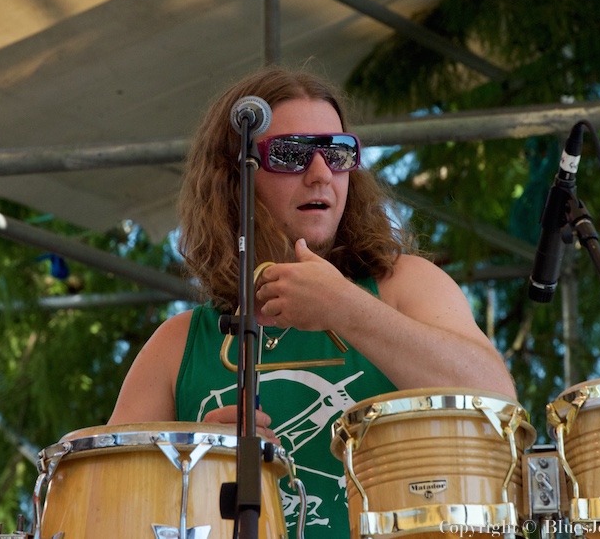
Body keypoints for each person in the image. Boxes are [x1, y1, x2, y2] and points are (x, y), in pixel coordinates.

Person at [109, 65, 516, 538]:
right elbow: (105, 509)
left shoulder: (405, 285)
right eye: (290, 154)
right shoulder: (178, 344)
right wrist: (191, 462)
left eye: (338, 153)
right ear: (233, 179)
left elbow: (497, 401)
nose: (321, 173)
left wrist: (345, 307)